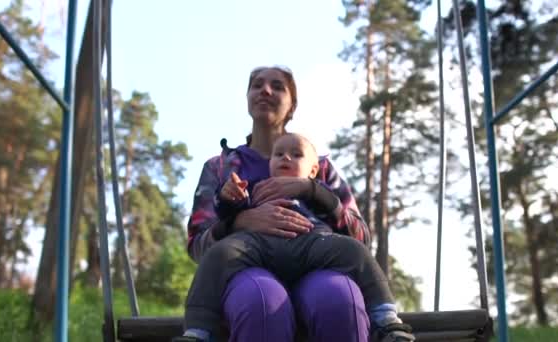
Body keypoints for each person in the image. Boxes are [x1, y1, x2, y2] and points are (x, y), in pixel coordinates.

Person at [175, 66, 414, 342]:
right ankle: (197, 332)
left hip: (315, 259)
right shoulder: (222, 168)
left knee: (339, 301)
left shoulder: (317, 166)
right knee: (261, 303)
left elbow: (360, 237)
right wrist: (238, 221)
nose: (265, 90)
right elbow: (198, 247)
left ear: (292, 105)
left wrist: (313, 191)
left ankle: (387, 320)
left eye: (277, 86)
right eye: (257, 85)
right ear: (247, 98)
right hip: (249, 263)